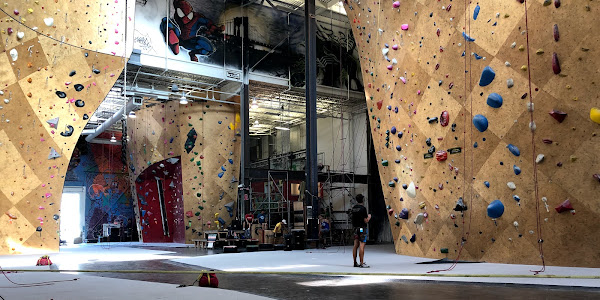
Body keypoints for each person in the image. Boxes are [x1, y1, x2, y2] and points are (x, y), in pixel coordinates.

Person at [351, 194, 371, 268]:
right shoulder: (363, 208)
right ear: (363, 200)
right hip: (362, 228)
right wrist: (369, 217)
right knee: (362, 245)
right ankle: (362, 263)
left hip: (355, 228)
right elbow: (365, 221)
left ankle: (355, 262)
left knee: (355, 245)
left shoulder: (353, 208)